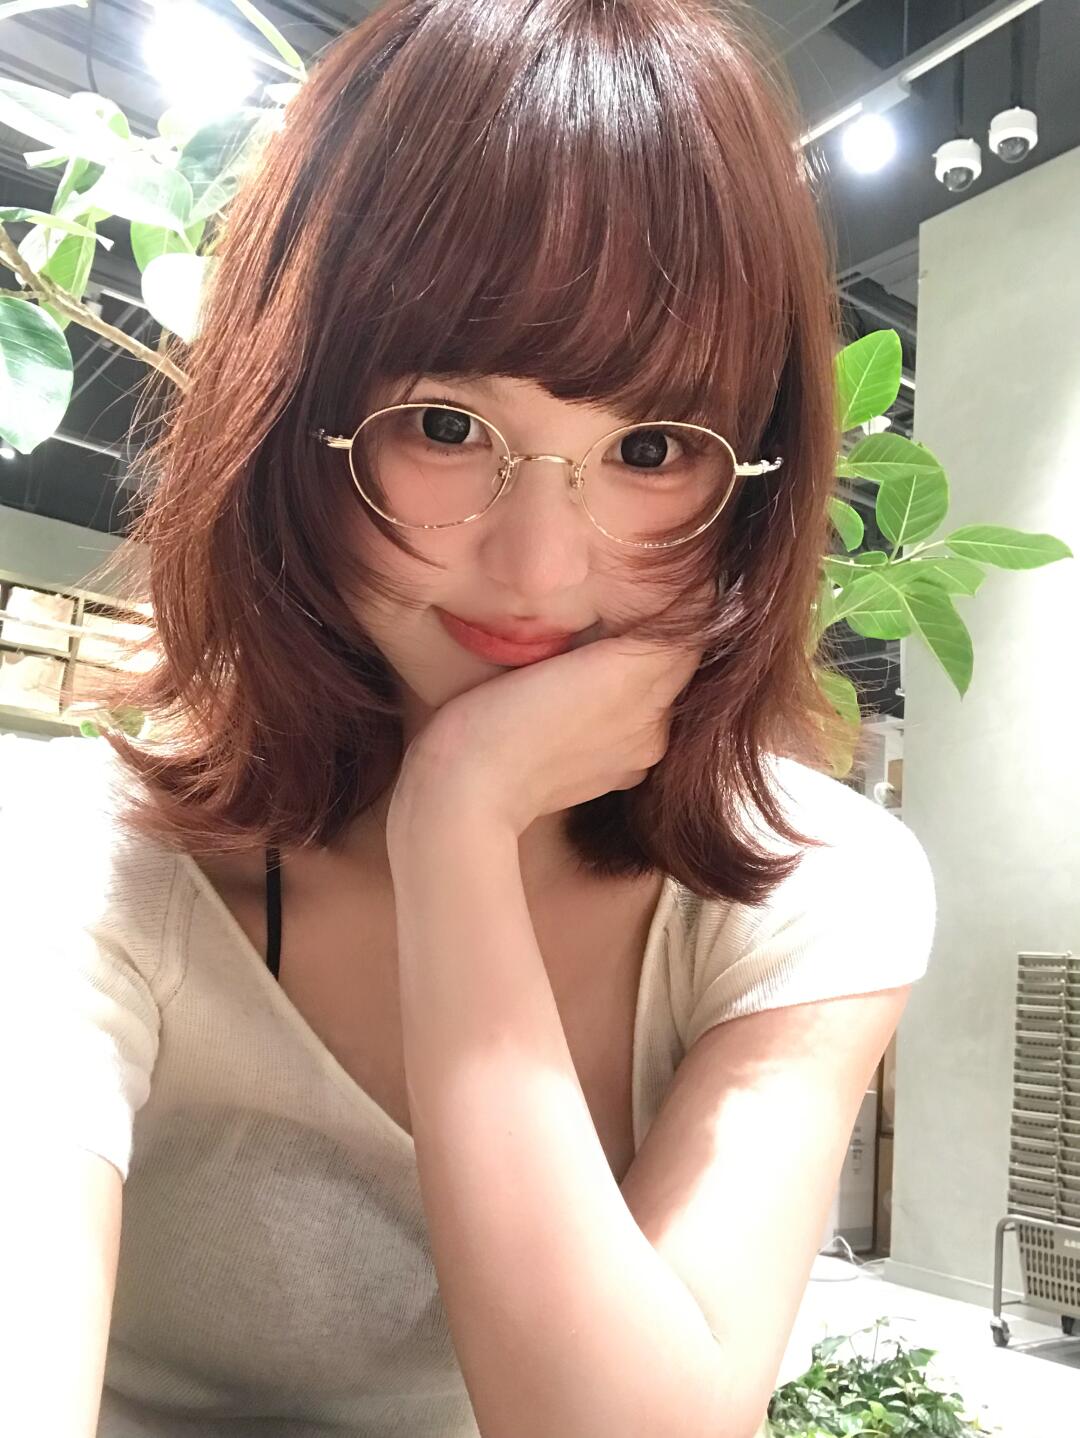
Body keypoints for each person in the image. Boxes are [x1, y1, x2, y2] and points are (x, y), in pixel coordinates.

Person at [2, 2, 937, 1435]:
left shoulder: (807, 890)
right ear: (290, 413)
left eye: (650, 448)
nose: (541, 568)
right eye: (446, 424)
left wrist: (457, 826)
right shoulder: (81, 859)